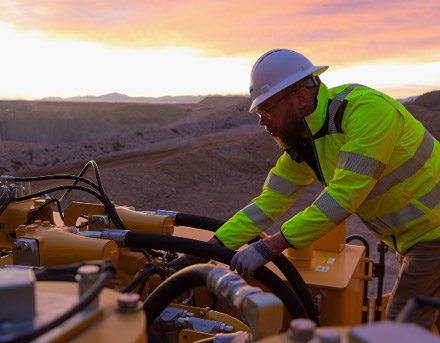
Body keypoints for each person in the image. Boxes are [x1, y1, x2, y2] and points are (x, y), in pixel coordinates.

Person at [170, 49, 440, 329]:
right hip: (416, 238)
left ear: (299, 98)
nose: (263, 122)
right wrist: (206, 250)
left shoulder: (365, 111)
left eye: (266, 110)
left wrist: (269, 247)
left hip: (433, 233)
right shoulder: (307, 144)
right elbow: (269, 202)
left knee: (401, 329)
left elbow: (344, 195)